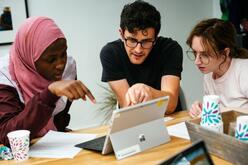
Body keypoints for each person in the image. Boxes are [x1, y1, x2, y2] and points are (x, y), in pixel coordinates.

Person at [0, 16, 96, 145]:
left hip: (52, 146)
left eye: (63, 54)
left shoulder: (68, 66)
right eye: (51, 59)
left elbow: (58, 118)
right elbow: (8, 135)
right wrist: (49, 94)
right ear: (30, 57)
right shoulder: (4, 76)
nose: (61, 64)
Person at [100, 0, 183, 114]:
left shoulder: (170, 49)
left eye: (146, 41)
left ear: (156, 37)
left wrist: (148, 91)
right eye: (132, 40)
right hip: (134, 119)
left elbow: (171, 104)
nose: (138, 49)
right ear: (121, 34)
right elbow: (128, 106)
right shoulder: (111, 53)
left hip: (170, 120)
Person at [186, 18, 248, 118]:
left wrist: (220, 111)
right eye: (194, 52)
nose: (196, 61)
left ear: (225, 53)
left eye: (205, 55)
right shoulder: (209, 74)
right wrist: (203, 108)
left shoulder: (244, 71)